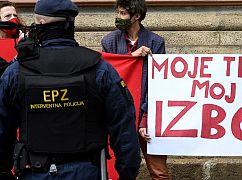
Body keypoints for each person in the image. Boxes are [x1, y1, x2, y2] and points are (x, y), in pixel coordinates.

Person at [0, 0, 141, 179]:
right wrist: (127, 174)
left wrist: (3, 171)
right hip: (85, 172)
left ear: (41, 23)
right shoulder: (100, 69)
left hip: (37, 172)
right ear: (71, 24)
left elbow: (2, 127)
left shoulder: (16, 72)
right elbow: (124, 127)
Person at [101, 0, 171, 179]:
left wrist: (145, 119)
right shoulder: (109, 41)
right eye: (117, 13)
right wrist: (131, 56)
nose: (118, 17)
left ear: (137, 16)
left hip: (146, 112)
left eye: (123, 13)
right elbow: (109, 72)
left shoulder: (156, 42)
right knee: (119, 170)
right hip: (120, 114)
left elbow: (158, 84)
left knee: (159, 171)